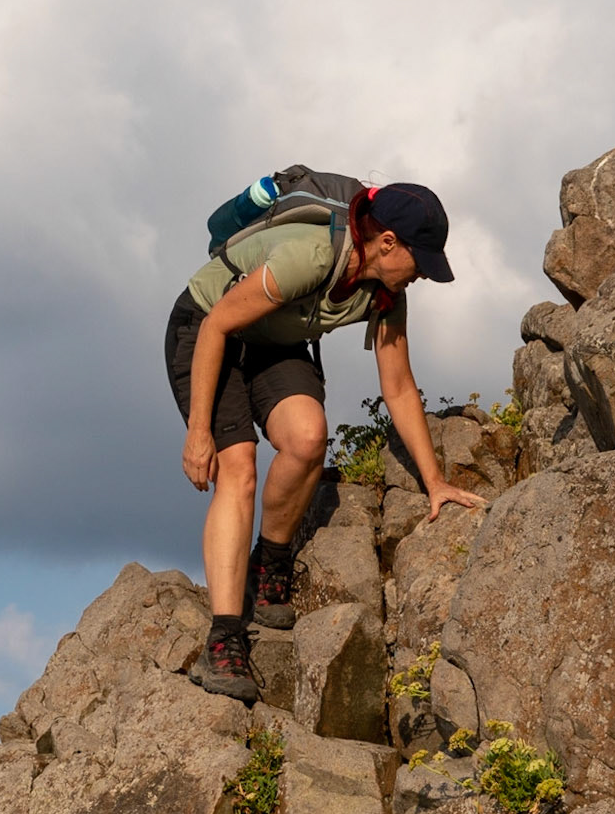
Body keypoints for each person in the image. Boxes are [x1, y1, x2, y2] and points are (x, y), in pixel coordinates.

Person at [165, 179, 485, 701]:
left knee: (309, 436)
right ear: (386, 242)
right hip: (208, 329)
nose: (421, 275)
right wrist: (199, 432)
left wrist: (435, 482)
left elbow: (399, 386)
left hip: (275, 341)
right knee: (239, 466)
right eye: (418, 261)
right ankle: (223, 641)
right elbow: (218, 325)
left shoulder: (385, 292)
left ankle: (268, 568)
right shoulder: (311, 256)